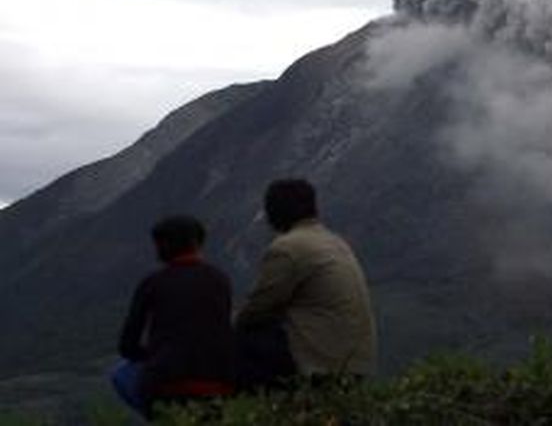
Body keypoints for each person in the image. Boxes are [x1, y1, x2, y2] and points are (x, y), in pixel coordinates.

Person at [234, 179, 377, 390]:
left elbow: (257, 309)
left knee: (238, 342)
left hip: (319, 362)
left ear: (274, 213)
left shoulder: (288, 248)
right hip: (357, 362)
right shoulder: (335, 241)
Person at [112, 215, 235, 418]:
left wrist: (156, 354)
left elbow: (127, 345)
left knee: (120, 375)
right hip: (218, 382)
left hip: (166, 384)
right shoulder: (220, 280)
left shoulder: (152, 284)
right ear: (198, 244)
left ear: (160, 248)